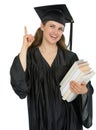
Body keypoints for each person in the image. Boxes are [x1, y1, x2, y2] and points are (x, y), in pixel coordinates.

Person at [10, 4, 93, 130]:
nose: (56, 32)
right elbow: (20, 88)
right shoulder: (30, 56)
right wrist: (24, 48)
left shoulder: (70, 57)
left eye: (60, 28)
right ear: (42, 26)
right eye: (52, 26)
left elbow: (86, 86)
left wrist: (84, 90)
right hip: (41, 121)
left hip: (69, 122)